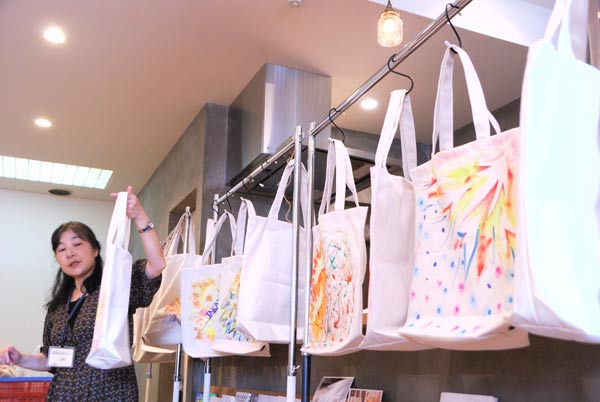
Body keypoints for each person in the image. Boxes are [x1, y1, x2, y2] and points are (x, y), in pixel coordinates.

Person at [0, 186, 166, 401]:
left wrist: (140, 217)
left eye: (77, 244)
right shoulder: (58, 307)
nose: (70, 253)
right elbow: (52, 359)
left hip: (110, 394)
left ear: (95, 250)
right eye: (61, 249)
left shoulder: (115, 287)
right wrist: (19, 358)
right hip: (63, 395)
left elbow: (157, 264)